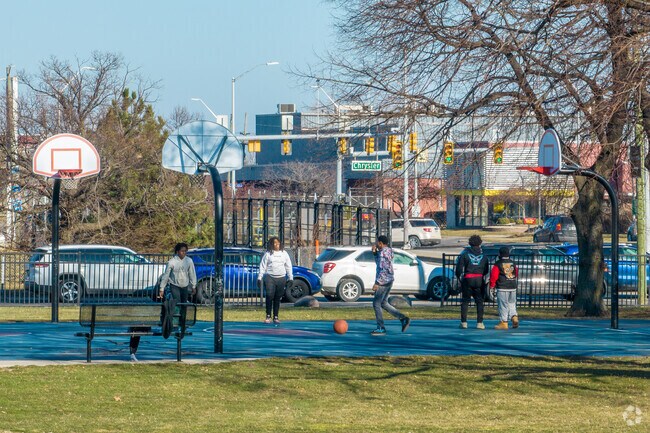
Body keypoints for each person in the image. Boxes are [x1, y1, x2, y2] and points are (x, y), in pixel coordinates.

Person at [128, 242, 197, 361]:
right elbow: (166, 276)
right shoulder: (171, 262)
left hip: (184, 285)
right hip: (175, 285)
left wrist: (193, 285)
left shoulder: (188, 261)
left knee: (183, 305)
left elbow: (192, 273)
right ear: (177, 252)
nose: (184, 253)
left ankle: (181, 323)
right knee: (176, 303)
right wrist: (162, 288)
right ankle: (177, 323)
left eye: (185, 251)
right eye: (182, 251)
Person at [370, 235, 410, 336]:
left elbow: (383, 269)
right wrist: (375, 253)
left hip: (383, 281)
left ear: (380, 243)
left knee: (376, 304)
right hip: (389, 280)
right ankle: (403, 318)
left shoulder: (383, 253)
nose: (376, 244)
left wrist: (377, 283)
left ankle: (381, 327)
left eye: (377, 242)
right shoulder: (388, 251)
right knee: (383, 303)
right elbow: (379, 263)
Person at [455, 234, 489, 330]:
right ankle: (479, 323)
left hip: (468, 279)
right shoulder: (484, 256)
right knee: (479, 301)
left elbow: (459, 269)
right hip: (479, 279)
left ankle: (464, 322)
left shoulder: (465, 255)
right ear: (480, 243)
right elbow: (486, 270)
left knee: (465, 301)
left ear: (470, 243)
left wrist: (459, 277)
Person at [258, 237, 293, 324]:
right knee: (269, 296)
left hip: (281, 278)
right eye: (275, 243)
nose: (277, 245)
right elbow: (263, 266)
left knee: (277, 298)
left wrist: (290, 278)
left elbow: (288, 266)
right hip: (270, 277)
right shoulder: (268, 254)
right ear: (271, 244)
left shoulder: (284, 254)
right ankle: (268, 316)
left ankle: (276, 316)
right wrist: (259, 277)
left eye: (278, 243)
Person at [490, 246, 519, 330]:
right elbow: (516, 273)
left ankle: (504, 322)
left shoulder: (498, 263)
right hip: (512, 286)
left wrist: (492, 285)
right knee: (511, 303)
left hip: (502, 286)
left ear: (500, 254)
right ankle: (514, 316)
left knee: (503, 305)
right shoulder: (513, 262)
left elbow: (494, 275)